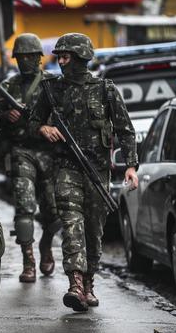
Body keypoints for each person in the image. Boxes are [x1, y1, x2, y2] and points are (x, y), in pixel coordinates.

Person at [29, 33, 139, 311]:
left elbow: (125, 130)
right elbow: (33, 122)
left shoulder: (105, 89)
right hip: (66, 167)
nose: (61, 62)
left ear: (80, 58)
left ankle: (88, 282)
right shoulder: (51, 90)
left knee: (93, 228)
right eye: (59, 57)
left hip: (97, 171)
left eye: (65, 57)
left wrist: (131, 167)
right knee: (71, 222)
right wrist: (44, 128)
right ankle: (75, 283)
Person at [0, 33, 62, 283]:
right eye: (21, 57)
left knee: (54, 213)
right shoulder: (8, 87)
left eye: (31, 56)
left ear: (39, 58)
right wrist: (4, 116)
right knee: (24, 208)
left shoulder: (53, 83)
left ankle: (45, 245)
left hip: (50, 153)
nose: (26, 61)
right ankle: (28, 261)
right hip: (21, 151)